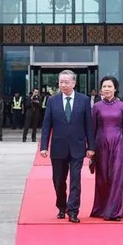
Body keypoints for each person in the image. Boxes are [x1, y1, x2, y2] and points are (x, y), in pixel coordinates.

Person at [40, 70, 95, 223]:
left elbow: (88, 125)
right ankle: (61, 206)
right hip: (58, 147)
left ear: (74, 83)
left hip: (77, 147)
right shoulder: (53, 100)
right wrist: (44, 146)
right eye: (61, 82)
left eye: (66, 82)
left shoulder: (84, 100)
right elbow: (46, 125)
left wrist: (91, 146)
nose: (63, 85)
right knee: (58, 180)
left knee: (75, 180)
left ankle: (73, 211)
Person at [90, 77, 123, 221]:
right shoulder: (97, 106)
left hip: (117, 144)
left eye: (110, 86)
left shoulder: (122, 106)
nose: (106, 89)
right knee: (102, 178)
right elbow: (92, 129)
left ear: (115, 88)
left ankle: (115, 211)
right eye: (104, 86)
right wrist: (90, 148)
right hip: (100, 144)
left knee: (117, 176)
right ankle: (102, 208)